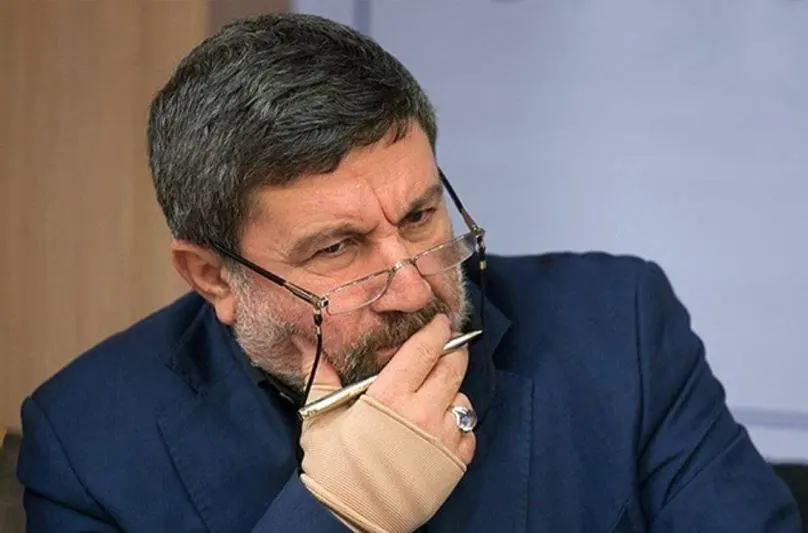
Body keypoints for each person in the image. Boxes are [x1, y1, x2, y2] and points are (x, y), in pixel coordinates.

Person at [17, 13, 800, 533]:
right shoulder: (88, 441)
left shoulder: (621, 325)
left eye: (422, 216)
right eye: (337, 248)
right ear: (213, 277)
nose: (415, 287)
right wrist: (336, 513)